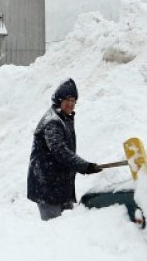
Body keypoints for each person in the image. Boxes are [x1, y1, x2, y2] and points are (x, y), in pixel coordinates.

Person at [27, 78, 102, 220]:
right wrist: (85, 166)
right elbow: (60, 151)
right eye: (67, 99)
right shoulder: (52, 122)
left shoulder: (64, 118)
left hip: (60, 185)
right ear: (59, 100)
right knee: (54, 231)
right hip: (47, 186)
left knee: (67, 228)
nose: (71, 103)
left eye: (73, 100)